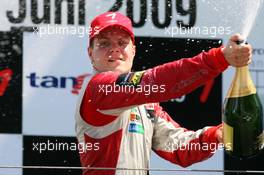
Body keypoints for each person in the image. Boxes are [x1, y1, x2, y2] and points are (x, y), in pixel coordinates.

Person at [75, 12, 252, 175]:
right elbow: (155, 81)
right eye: (104, 43)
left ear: (134, 51)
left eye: (122, 43)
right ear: (90, 53)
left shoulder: (146, 104)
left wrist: (215, 136)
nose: (114, 49)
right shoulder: (97, 88)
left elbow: (177, 149)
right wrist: (219, 58)